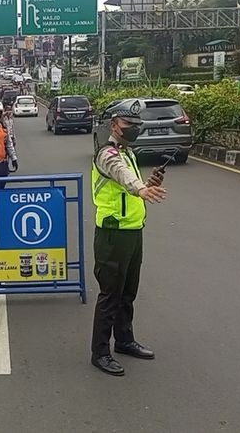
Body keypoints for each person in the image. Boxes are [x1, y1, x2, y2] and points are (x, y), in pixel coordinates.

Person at [90, 99, 167, 376]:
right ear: (114, 125)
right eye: (128, 124)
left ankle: (124, 340)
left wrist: (149, 185)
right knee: (110, 294)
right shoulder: (107, 154)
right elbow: (122, 177)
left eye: (136, 125)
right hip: (112, 234)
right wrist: (139, 188)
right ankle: (100, 352)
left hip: (133, 231)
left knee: (127, 293)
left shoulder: (128, 152)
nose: (133, 129)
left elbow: (131, 185)